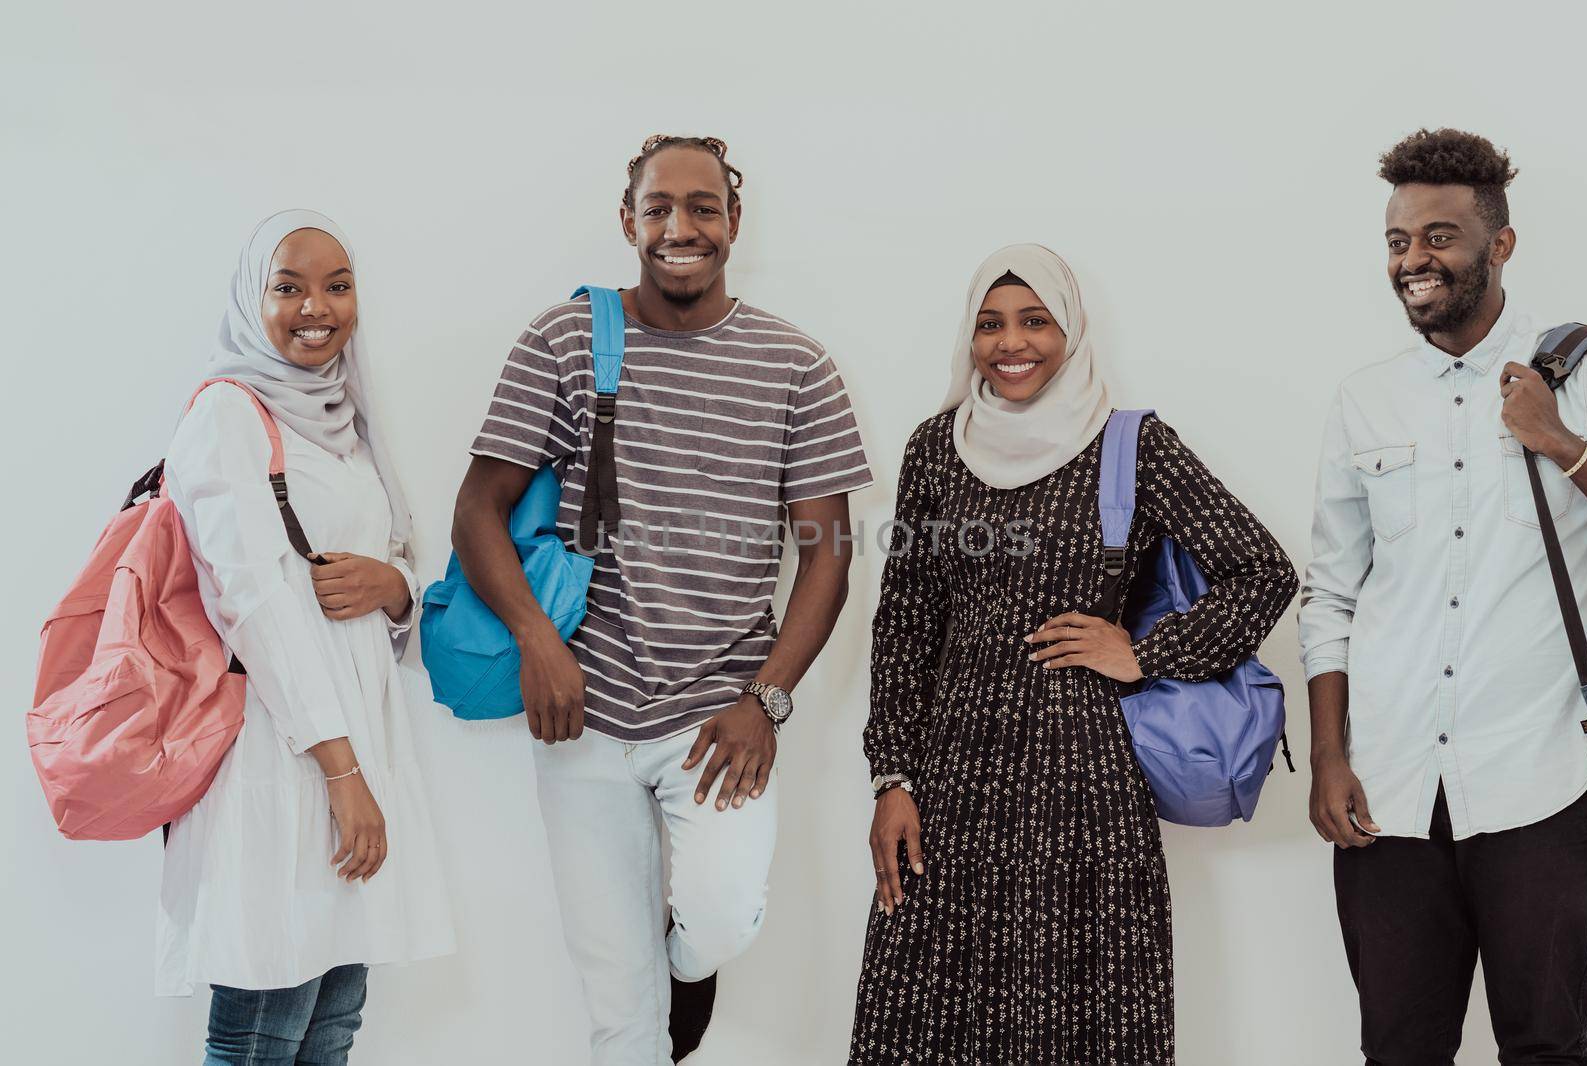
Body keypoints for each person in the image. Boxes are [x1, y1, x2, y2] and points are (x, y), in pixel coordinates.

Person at [451, 135, 874, 1065]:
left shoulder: (796, 365)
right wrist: (538, 640)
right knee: (617, 1008)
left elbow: (830, 558)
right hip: (583, 710)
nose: (679, 228)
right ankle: (647, 1003)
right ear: (627, 219)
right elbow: (476, 509)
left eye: (703, 208)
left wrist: (766, 698)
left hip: (718, 714)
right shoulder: (563, 340)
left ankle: (687, 967)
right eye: (657, 208)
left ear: (734, 221)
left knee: (723, 922)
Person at [850, 244, 1297, 1064]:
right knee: (925, 1015)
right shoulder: (934, 450)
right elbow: (905, 625)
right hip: (952, 786)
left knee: (1076, 1016)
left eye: (1034, 321)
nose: (1010, 343)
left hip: (1082, 784)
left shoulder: (1132, 446)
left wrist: (1148, 651)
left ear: (1072, 332)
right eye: (990, 324)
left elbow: (1263, 573)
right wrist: (892, 777)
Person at [1301, 128, 1587, 1064]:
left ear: (1500, 245)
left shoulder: (1583, 375)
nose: (1414, 261)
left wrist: (1561, 442)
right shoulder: (1365, 399)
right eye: (1398, 241)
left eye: (1439, 236)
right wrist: (1328, 757)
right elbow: (1331, 595)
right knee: (1398, 1047)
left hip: (1539, 781)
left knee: (1547, 1044)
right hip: (1387, 789)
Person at [158, 210, 455, 1064]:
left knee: (333, 1016)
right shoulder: (227, 416)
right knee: (265, 1018)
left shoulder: (347, 416)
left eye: (336, 285)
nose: (314, 307)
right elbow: (255, 605)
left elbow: (396, 559)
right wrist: (343, 773)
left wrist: (395, 586)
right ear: (254, 300)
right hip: (279, 752)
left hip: (353, 739)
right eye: (287, 287)